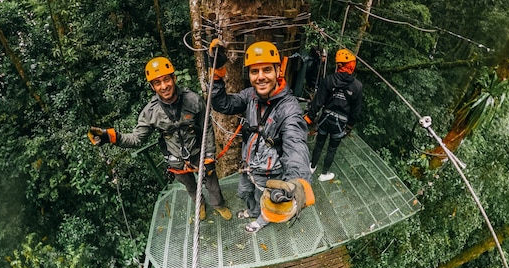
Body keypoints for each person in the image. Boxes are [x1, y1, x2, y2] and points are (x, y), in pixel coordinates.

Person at [89, 57, 231, 221]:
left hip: (198, 152)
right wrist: (110, 137)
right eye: (157, 83)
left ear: (174, 78)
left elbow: (206, 127)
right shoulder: (151, 112)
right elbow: (137, 139)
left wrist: (209, 155)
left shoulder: (193, 100)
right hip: (176, 159)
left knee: (211, 181)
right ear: (152, 86)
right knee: (190, 185)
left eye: (166, 80)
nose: (164, 86)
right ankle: (200, 204)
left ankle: (218, 204)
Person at [209, 41, 313, 233]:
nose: (261, 77)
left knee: (264, 199)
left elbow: (295, 144)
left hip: (270, 173)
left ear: (278, 71)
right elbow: (222, 104)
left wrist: (296, 181)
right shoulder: (250, 96)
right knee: (244, 193)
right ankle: (253, 211)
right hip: (249, 166)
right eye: (254, 72)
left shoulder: (289, 109)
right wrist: (217, 74)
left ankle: (261, 221)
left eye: (267, 70)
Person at [305, 48, 363, 182]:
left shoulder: (329, 80)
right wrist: (349, 127)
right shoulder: (357, 86)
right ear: (351, 65)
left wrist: (310, 117)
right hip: (340, 123)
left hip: (325, 118)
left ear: (339, 65)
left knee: (319, 144)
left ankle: (312, 166)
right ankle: (324, 173)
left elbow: (318, 102)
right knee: (332, 149)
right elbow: (356, 110)